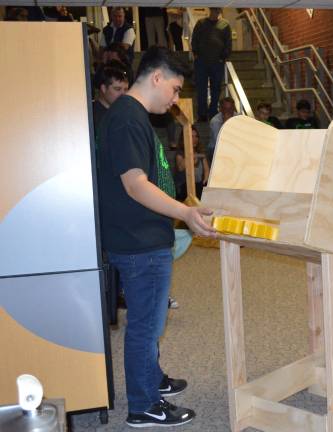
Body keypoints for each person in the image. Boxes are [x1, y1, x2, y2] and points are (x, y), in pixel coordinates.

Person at [97, 46, 216, 427]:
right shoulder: (128, 119)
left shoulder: (131, 115)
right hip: (139, 243)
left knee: (149, 323)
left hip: (143, 239)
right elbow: (135, 185)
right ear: (157, 77)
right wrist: (185, 213)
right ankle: (143, 405)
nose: (176, 98)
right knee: (146, 327)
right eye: (176, 88)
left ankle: (151, 381)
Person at [191, 7, 232, 121]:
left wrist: (223, 57)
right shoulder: (201, 23)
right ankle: (202, 114)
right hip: (201, 62)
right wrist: (196, 54)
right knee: (201, 89)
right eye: (214, 10)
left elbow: (228, 42)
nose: (216, 12)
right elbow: (194, 39)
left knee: (216, 89)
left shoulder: (225, 25)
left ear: (220, 11)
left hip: (217, 63)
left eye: (218, 10)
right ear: (210, 10)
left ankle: (213, 112)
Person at [92, 60, 129, 132]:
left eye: (126, 89)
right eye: (117, 89)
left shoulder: (126, 111)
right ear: (104, 88)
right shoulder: (90, 115)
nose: (123, 94)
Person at [175, 125, 209, 201]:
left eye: (196, 136)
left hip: (198, 186)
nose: (195, 139)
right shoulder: (180, 154)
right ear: (185, 138)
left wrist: (205, 180)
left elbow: (207, 170)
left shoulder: (200, 153)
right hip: (184, 187)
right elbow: (181, 167)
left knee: (202, 187)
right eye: (192, 136)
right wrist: (193, 155)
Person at [208, 96, 237, 163]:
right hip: (215, 149)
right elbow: (219, 142)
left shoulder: (238, 117)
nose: (228, 111)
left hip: (233, 146)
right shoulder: (215, 121)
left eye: (230, 109)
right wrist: (225, 123)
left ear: (234, 108)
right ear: (220, 109)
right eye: (226, 109)